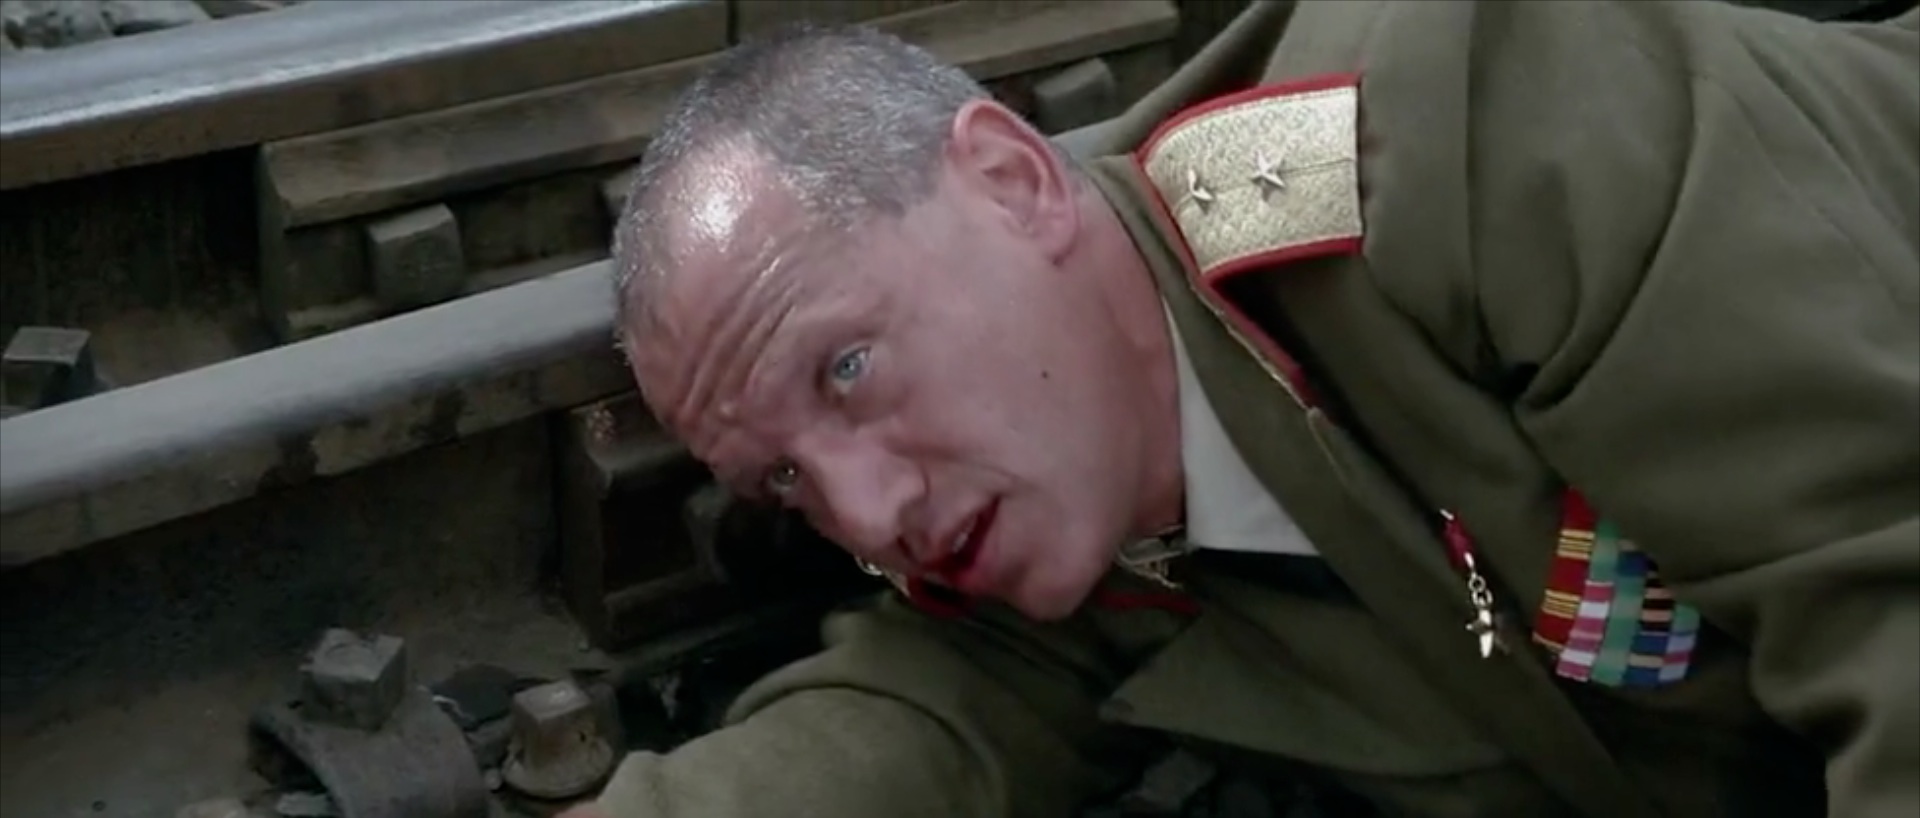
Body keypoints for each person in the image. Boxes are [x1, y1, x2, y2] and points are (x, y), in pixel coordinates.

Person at [573, 1, 1918, 816]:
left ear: (1013, 183)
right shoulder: (1070, 505)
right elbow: (915, 724)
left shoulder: (1448, 137)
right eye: (787, 483)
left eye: (846, 370)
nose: (869, 515)